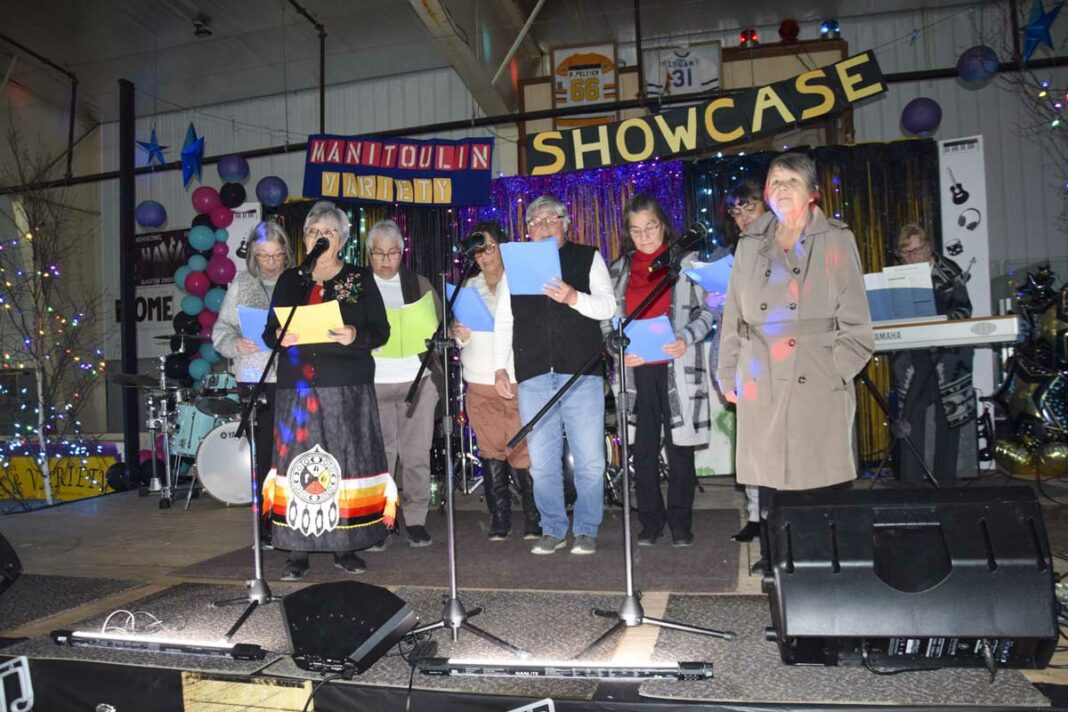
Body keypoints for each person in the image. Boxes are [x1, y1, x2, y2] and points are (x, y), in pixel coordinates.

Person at [716, 152, 873, 575]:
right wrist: (728, 372)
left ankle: (825, 562)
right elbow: (733, 317)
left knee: (820, 477)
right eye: (774, 180)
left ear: (812, 191)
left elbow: (858, 324)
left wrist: (835, 369)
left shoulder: (837, 239)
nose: (781, 187)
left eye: (791, 180)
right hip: (761, 372)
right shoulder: (751, 242)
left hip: (816, 373)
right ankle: (774, 557)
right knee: (770, 477)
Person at [262, 201, 395, 581]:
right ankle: (297, 550)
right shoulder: (291, 280)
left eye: (328, 232)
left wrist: (355, 335)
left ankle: (345, 545)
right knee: (295, 467)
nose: (320, 237)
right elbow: (269, 331)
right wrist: (279, 336)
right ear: (304, 239)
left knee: (345, 463)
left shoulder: (359, 278)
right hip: (296, 385)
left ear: (342, 239)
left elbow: (380, 331)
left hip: (347, 383)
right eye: (312, 232)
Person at [493, 195, 616, 555]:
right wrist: (501, 367)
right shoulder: (515, 265)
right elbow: (504, 320)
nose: (543, 226)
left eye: (550, 220)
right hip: (532, 373)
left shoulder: (587, 256)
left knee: (590, 457)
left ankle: (587, 528)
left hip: (581, 372)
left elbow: (609, 306)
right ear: (527, 231)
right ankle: (553, 528)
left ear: (566, 223)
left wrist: (575, 297)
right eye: (535, 222)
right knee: (543, 460)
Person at [603, 194, 715, 547]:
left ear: (664, 225)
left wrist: (685, 337)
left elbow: (710, 313)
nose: (645, 236)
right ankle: (650, 522)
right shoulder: (618, 270)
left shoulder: (689, 264)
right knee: (643, 450)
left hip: (677, 367)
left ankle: (681, 523)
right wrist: (617, 352)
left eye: (650, 227)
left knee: (680, 448)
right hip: (637, 373)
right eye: (636, 231)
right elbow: (607, 324)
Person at [451, 223, 540, 540]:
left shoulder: (520, 283)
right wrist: (458, 334)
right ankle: (499, 520)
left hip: (516, 380)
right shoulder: (467, 287)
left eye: (489, 246)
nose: (484, 254)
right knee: (490, 452)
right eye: (478, 249)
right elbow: (459, 335)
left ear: (503, 247)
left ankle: (534, 518)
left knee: (522, 451)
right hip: (478, 382)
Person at [212, 221, 293, 545]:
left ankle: (293, 521)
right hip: (254, 378)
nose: (271, 262)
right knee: (263, 457)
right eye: (264, 256)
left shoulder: (297, 281)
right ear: (253, 257)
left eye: (276, 255)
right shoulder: (242, 284)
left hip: (292, 377)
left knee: (290, 454)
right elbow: (220, 330)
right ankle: (267, 527)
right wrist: (235, 344)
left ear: (286, 253)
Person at [368, 219, 440, 548]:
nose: (386, 260)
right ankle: (380, 520)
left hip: (418, 380)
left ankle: (415, 519)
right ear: (369, 254)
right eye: (379, 253)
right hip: (375, 381)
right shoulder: (358, 286)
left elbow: (440, 327)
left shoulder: (418, 283)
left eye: (393, 253)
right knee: (380, 457)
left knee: (415, 454)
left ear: (402, 252)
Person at [891, 223, 975, 486]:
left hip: (948, 357)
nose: (915, 256)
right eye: (909, 253)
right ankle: (911, 485)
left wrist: (939, 319)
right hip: (914, 358)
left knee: (948, 418)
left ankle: (946, 484)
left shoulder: (950, 271)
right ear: (901, 255)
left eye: (920, 249)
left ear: (929, 246)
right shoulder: (895, 279)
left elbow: (964, 310)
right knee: (909, 420)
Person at [720, 179, 767, 544]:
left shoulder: (785, 243)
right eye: (736, 212)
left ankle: (779, 512)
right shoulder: (735, 252)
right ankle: (755, 514)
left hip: (783, 355)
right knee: (750, 441)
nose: (742, 218)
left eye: (748, 208)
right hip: (748, 356)